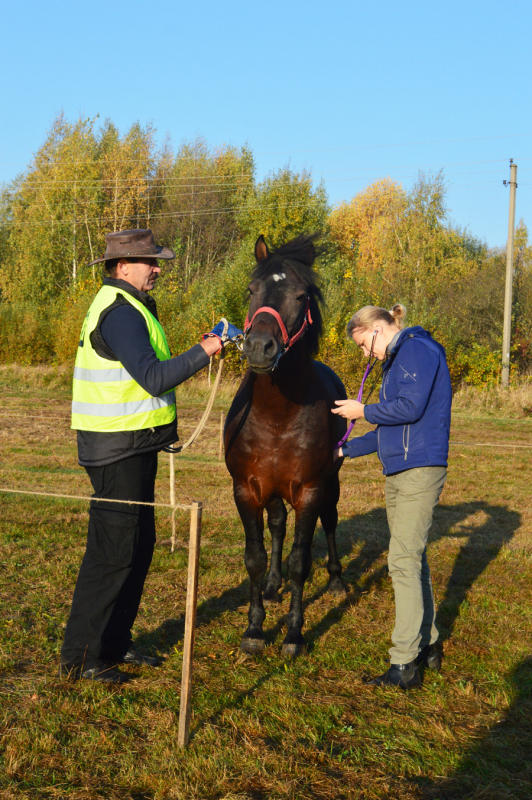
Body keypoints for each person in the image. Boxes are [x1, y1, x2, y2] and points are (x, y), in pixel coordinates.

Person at [60, 228, 242, 683]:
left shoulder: (131, 307)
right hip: (116, 450)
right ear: (123, 267)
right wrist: (208, 349)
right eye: (150, 261)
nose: (158, 268)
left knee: (136, 549)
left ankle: (115, 645)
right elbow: (153, 378)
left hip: (132, 445)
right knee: (112, 553)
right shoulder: (120, 314)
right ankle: (81, 658)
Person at [331, 304, 452, 689]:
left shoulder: (417, 349)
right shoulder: (398, 359)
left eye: (364, 344)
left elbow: (409, 408)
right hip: (400, 468)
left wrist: (362, 409)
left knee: (401, 561)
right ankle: (429, 644)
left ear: (378, 328)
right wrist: (343, 450)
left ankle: (403, 665)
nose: (366, 354)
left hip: (420, 469)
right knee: (413, 561)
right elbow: (392, 426)